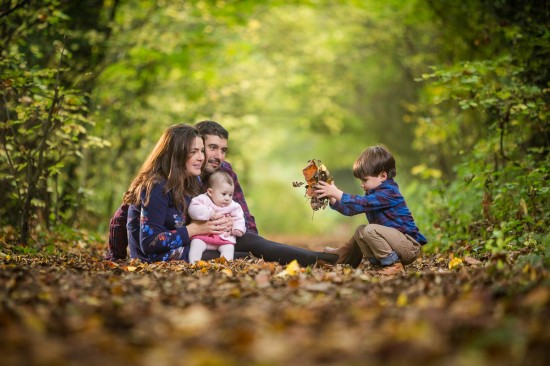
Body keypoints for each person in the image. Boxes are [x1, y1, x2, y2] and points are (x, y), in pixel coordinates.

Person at [108, 120, 339, 266]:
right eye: (197, 151)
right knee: (250, 257)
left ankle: (325, 259)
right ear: (177, 154)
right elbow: (135, 229)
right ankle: (321, 261)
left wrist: (238, 232)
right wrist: (115, 256)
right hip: (174, 253)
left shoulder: (195, 178)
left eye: (202, 151)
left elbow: (238, 209)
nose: (204, 157)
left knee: (255, 244)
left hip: (197, 242)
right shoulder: (156, 184)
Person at [315, 144, 427, 275]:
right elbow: (352, 209)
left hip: (408, 246)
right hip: (395, 244)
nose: (362, 184)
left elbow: (362, 203)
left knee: (370, 230)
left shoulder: (389, 193)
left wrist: (337, 192)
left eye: (365, 180)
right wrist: (332, 197)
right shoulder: (373, 194)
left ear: (382, 176)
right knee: (360, 231)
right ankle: (380, 264)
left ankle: (394, 265)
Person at [188, 170, 246, 263]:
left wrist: (238, 228)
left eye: (230, 195)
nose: (227, 198)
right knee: (196, 244)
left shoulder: (233, 206)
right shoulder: (203, 199)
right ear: (211, 192)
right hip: (204, 237)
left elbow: (239, 217)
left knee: (229, 248)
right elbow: (193, 209)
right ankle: (194, 264)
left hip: (224, 238)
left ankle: (224, 266)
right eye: (223, 194)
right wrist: (208, 213)